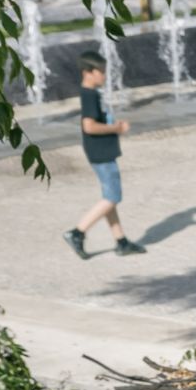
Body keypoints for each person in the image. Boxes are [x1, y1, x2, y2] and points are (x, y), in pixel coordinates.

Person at [67, 56, 140, 257]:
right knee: (112, 197)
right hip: (101, 151)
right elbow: (88, 126)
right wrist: (116, 128)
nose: (104, 75)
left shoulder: (90, 93)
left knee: (110, 197)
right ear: (87, 73)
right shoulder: (89, 94)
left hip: (99, 150)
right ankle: (77, 232)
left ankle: (121, 241)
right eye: (100, 71)